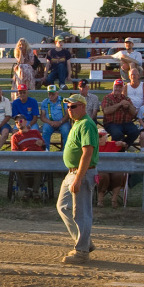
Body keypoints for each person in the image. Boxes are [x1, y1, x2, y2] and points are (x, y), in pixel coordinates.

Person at [57, 93, 99, 265]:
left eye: (73, 106)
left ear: (83, 107)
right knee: (62, 206)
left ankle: (81, 252)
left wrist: (78, 178)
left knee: (81, 213)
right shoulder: (77, 123)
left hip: (81, 173)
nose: (70, 110)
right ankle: (84, 242)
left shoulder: (87, 124)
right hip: (72, 172)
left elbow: (87, 153)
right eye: (68, 107)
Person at [101, 79, 139, 148]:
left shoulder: (127, 98)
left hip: (127, 123)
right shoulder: (107, 98)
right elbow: (106, 111)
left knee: (135, 132)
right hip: (112, 123)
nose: (118, 89)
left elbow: (134, 113)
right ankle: (115, 151)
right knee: (117, 133)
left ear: (123, 88)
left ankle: (124, 147)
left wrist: (129, 105)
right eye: (116, 87)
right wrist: (120, 104)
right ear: (113, 87)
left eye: (120, 87)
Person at [96, 129, 128, 207]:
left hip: (112, 168)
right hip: (99, 169)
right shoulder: (93, 146)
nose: (99, 138)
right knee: (103, 176)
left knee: (118, 175)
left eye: (101, 136)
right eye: (97, 136)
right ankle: (100, 200)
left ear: (106, 137)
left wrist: (123, 144)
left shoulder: (112, 144)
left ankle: (114, 200)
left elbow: (125, 146)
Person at [40, 85, 70, 150]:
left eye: (52, 94)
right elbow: (42, 116)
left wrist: (60, 122)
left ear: (57, 93)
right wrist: (50, 122)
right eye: (49, 94)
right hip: (49, 123)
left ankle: (66, 151)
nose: (50, 96)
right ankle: (45, 150)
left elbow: (68, 114)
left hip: (63, 122)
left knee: (66, 130)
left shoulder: (63, 100)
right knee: (45, 130)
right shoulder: (45, 102)